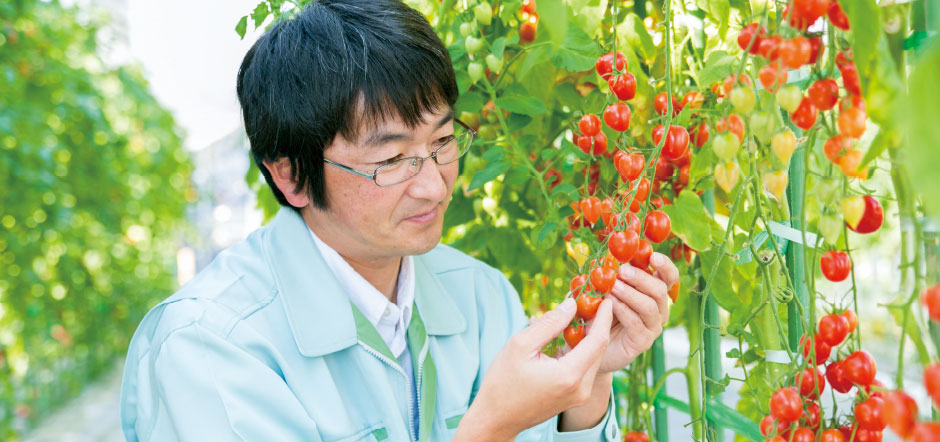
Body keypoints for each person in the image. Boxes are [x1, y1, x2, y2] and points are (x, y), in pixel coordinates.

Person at [118, 0, 678, 440]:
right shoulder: (209, 348)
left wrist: (590, 379)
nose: (434, 184)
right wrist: (491, 428)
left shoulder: (481, 297)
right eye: (390, 159)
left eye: (442, 141)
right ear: (290, 176)